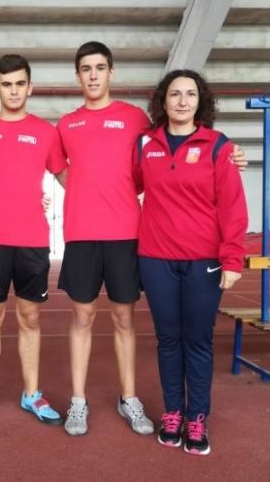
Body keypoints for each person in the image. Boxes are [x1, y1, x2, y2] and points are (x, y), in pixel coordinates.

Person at [135, 69, 248, 456]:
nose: (182, 101)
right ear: (162, 101)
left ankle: (197, 417)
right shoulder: (144, 145)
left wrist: (233, 258)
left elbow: (233, 207)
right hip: (155, 260)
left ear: (201, 102)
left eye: (190, 94)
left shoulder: (218, 146)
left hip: (204, 262)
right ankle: (172, 413)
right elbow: (125, 185)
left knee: (197, 342)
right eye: (174, 94)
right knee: (168, 341)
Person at [0, 55, 68, 427]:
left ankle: (31, 394)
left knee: (29, 318)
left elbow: (68, 176)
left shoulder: (46, 132)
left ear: (30, 87)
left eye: (20, 83)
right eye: (7, 84)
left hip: (33, 241)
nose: (14, 90)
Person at [55, 41, 154, 437]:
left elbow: (154, 169)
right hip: (81, 234)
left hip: (126, 233)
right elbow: (56, 168)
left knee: (124, 317)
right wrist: (81, 187)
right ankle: (77, 401)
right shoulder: (66, 124)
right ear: (77, 75)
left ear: (111, 72)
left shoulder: (136, 119)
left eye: (99, 67)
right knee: (82, 317)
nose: (93, 75)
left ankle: (129, 397)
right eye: (85, 68)